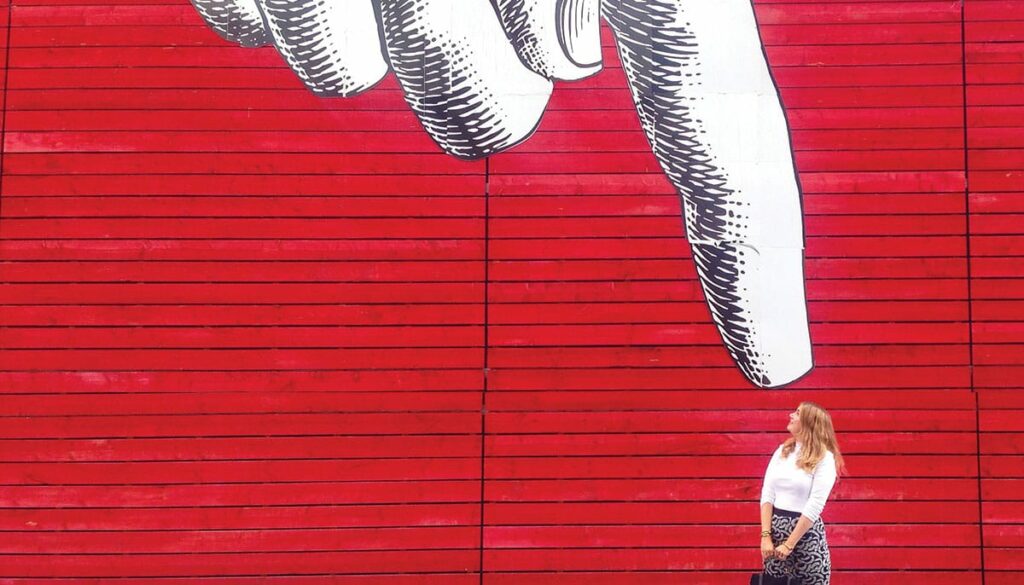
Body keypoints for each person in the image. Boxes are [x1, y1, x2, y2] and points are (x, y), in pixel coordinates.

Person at [759, 402, 845, 584]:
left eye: (797, 413)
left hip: (805, 537)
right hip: (775, 537)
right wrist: (765, 536)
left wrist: (789, 544)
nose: (791, 415)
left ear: (809, 423)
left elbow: (815, 505)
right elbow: (767, 494)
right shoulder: (782, 451)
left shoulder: (824, 458)